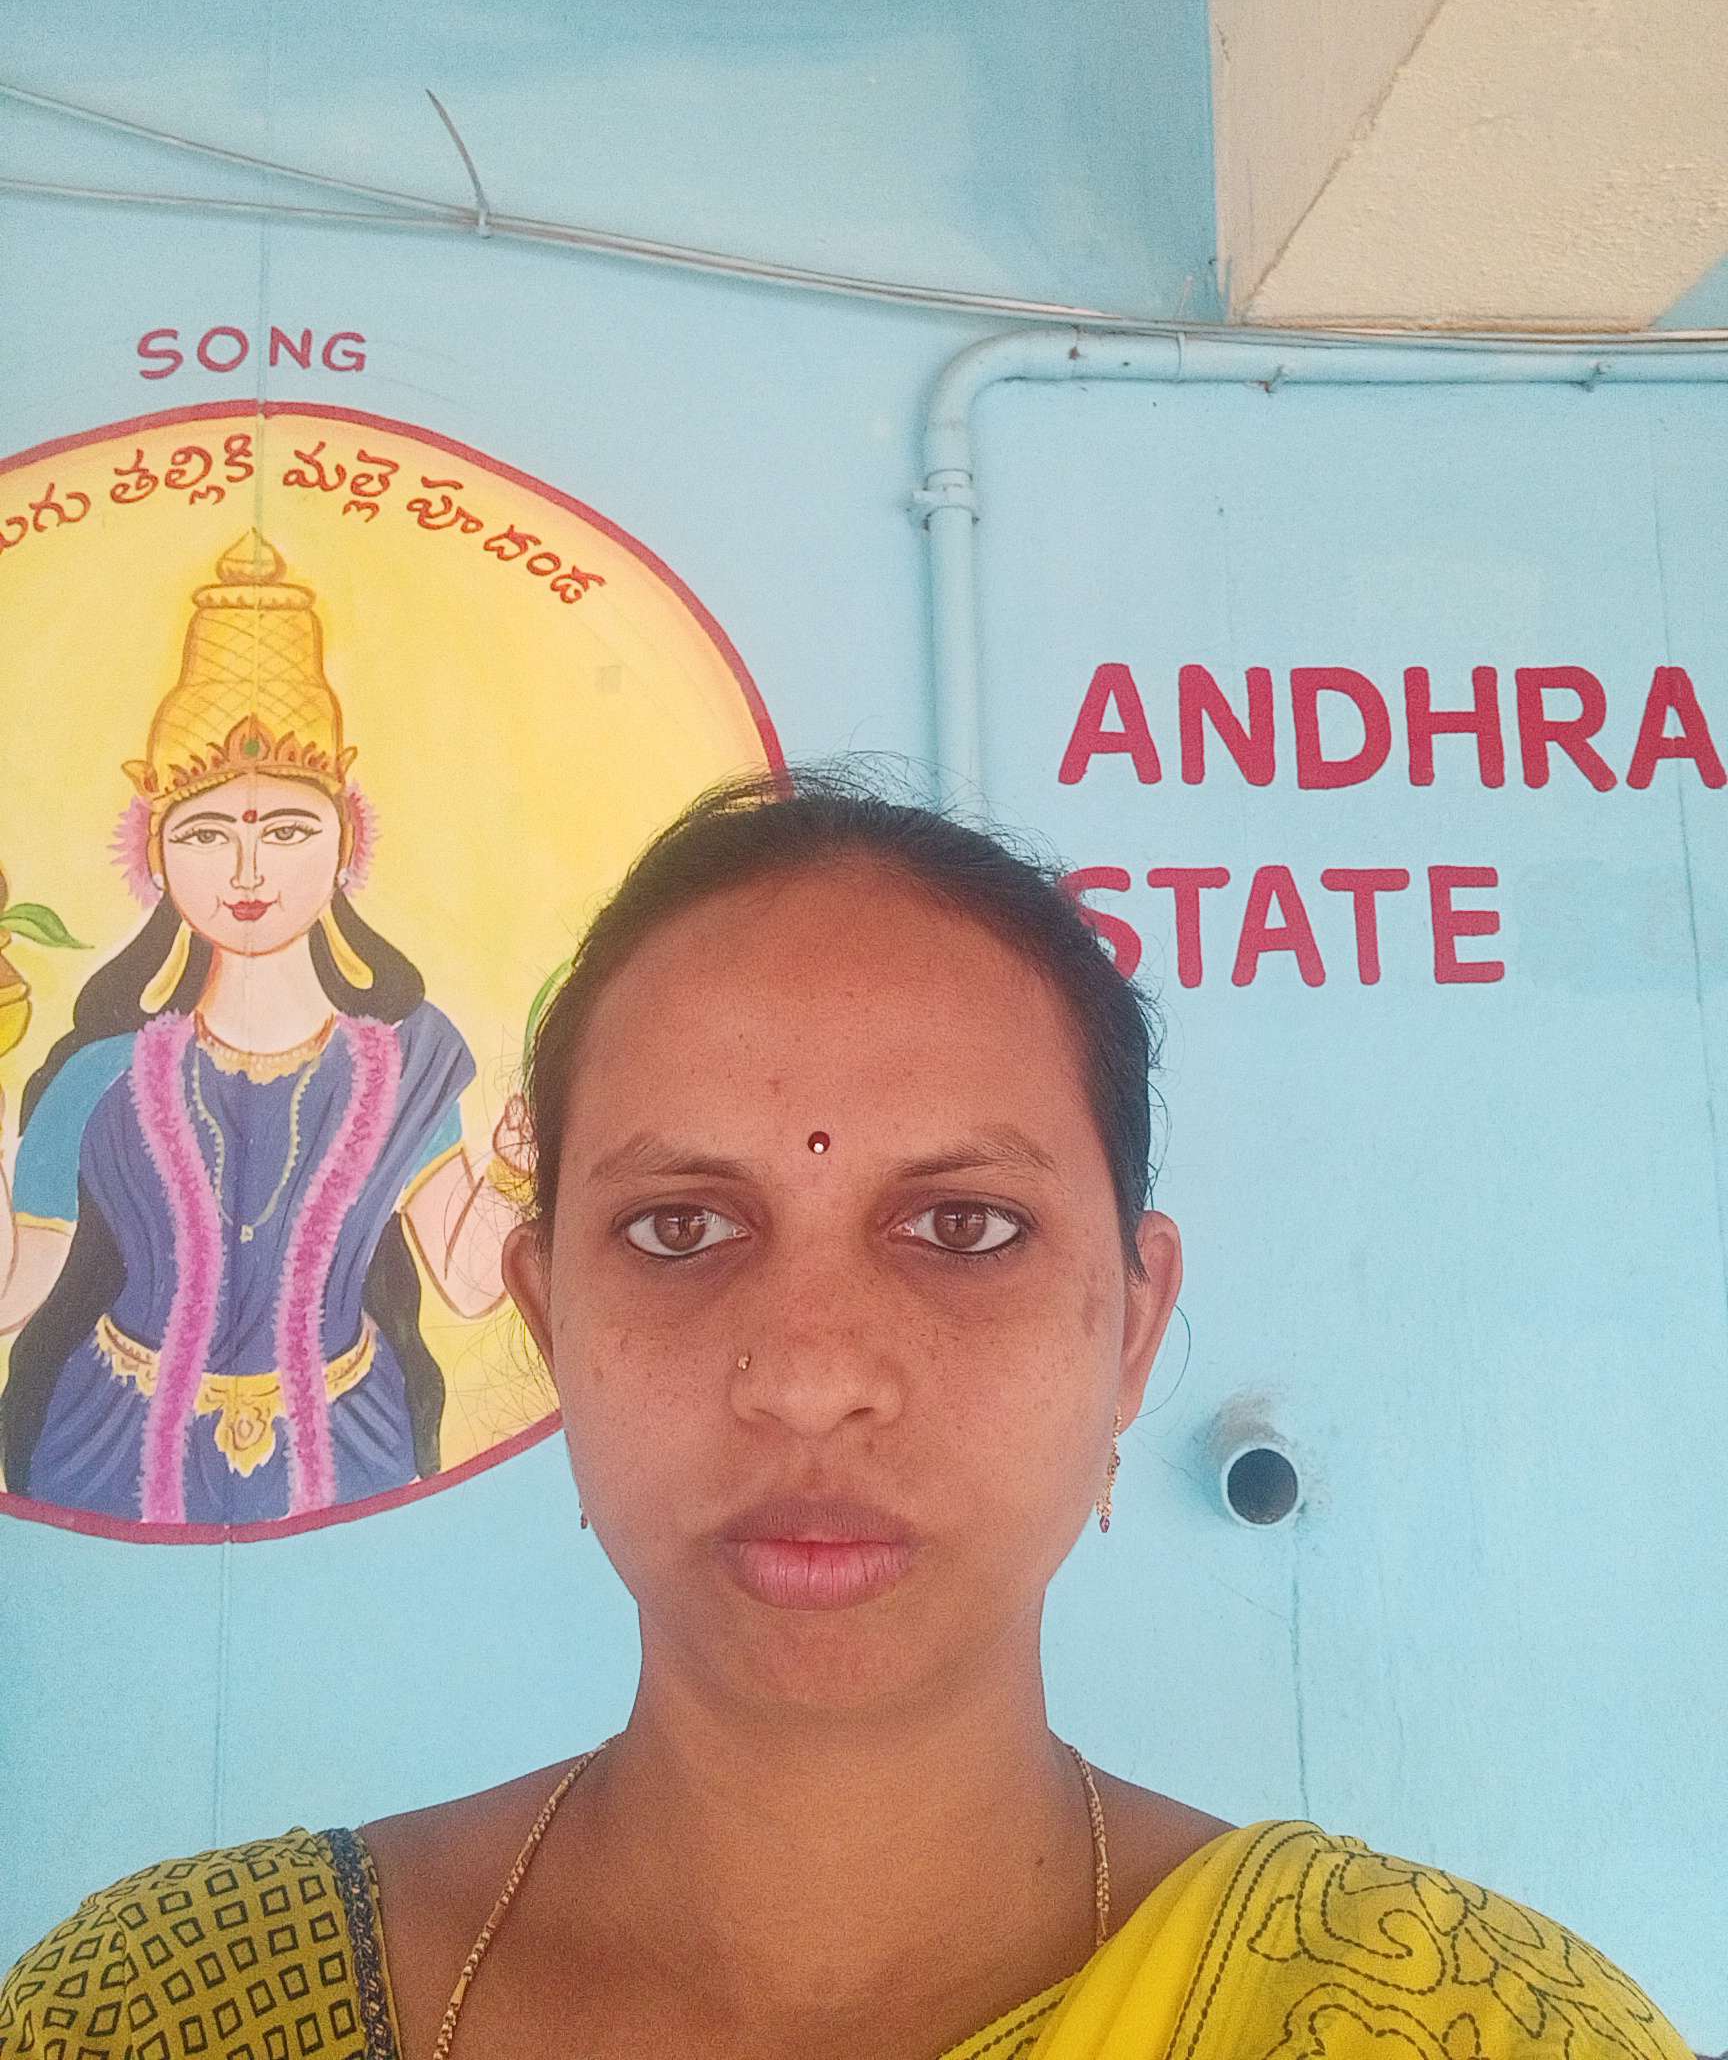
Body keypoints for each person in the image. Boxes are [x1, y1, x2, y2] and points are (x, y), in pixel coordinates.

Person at [0, 771, 1694, 2057]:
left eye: (963, 1224)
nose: (811, 1374)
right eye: (680, 1227)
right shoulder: (164, 2009)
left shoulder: (1458, 2022)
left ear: (1131, 1329)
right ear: (549, 1320)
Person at [0, 535, 514, 1528]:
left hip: (355, 1442)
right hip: (111, 1448)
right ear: (156, 855)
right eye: (206, 834)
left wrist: (521, 1172)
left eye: (286, 830)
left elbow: (465, 1280)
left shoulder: (408, 1063)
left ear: (344, 841)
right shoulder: (97, 1076)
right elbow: (14, 1291)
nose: (247, 872)